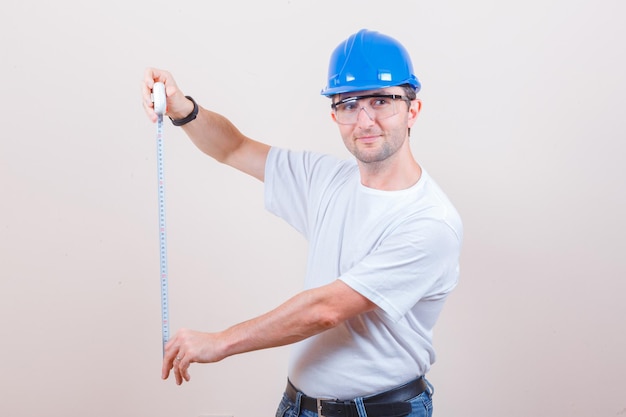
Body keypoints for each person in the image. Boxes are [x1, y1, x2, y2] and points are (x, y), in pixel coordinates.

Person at [142, 29, 462, 417]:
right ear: (334, 115)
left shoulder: (429, 220)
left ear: (412, 109)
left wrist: (220, 342)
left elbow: (326, 309)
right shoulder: (324, 179)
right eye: (348, 104)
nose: (364, 120)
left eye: (381, 101)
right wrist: (183, 109)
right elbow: (234, 147)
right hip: (300, 405)